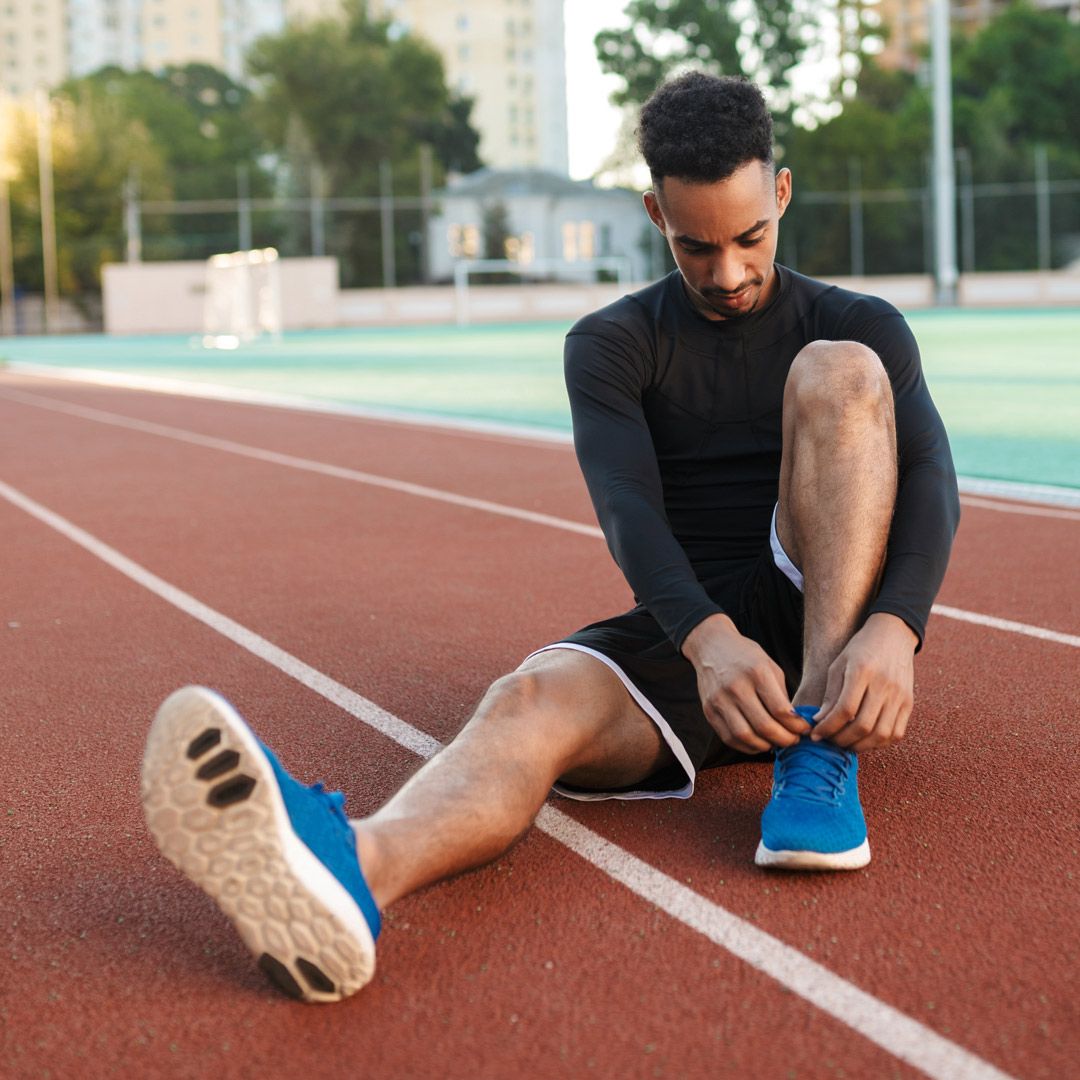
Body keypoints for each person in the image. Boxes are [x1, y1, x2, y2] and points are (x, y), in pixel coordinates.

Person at [141, 72, 959, 1003]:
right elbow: (628, 513)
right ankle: (352, 870)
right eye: (696, 247)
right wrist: (706, 640)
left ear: (780, 191)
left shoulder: (859, 325)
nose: (727, 272)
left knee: (840, 373)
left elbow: (930, 479)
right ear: (655, 213)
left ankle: (818, 749)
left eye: (748, 239)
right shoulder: (611, 343)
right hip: (696, 634)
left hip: (818, 591)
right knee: (525, 701)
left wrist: (895, 626)